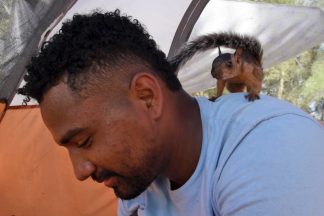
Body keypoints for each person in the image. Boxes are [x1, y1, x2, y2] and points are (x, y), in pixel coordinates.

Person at [18, 10, 324, 216]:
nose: (80, 171)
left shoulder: (271, 147)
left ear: (147, 97)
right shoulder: (139, 182)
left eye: (84, 141)